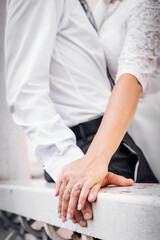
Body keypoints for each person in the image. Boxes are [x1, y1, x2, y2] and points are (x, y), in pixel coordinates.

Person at [4, 0, 159, 228]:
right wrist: (73, 163)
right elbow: (25, 90)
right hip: (88, 151)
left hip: (108, 145)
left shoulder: (102, 7)